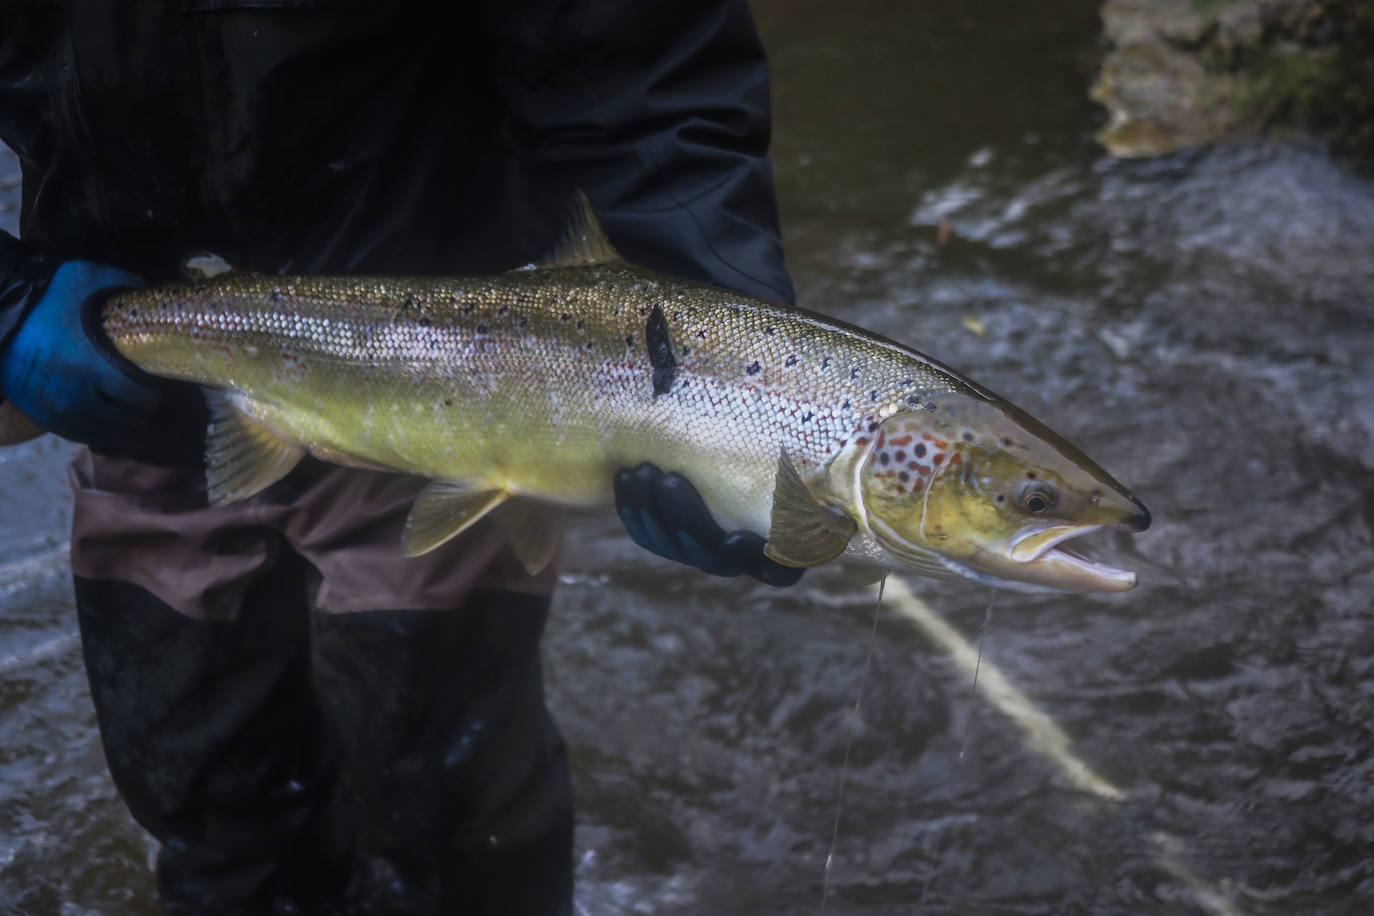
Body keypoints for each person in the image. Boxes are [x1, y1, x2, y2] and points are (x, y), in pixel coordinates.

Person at [0, 2, 800, 914]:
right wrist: (8, 303)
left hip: (470, 387)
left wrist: (722, 356)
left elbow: (645, 66)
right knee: (206, 807)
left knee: (458, 822)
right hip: (127, 382)